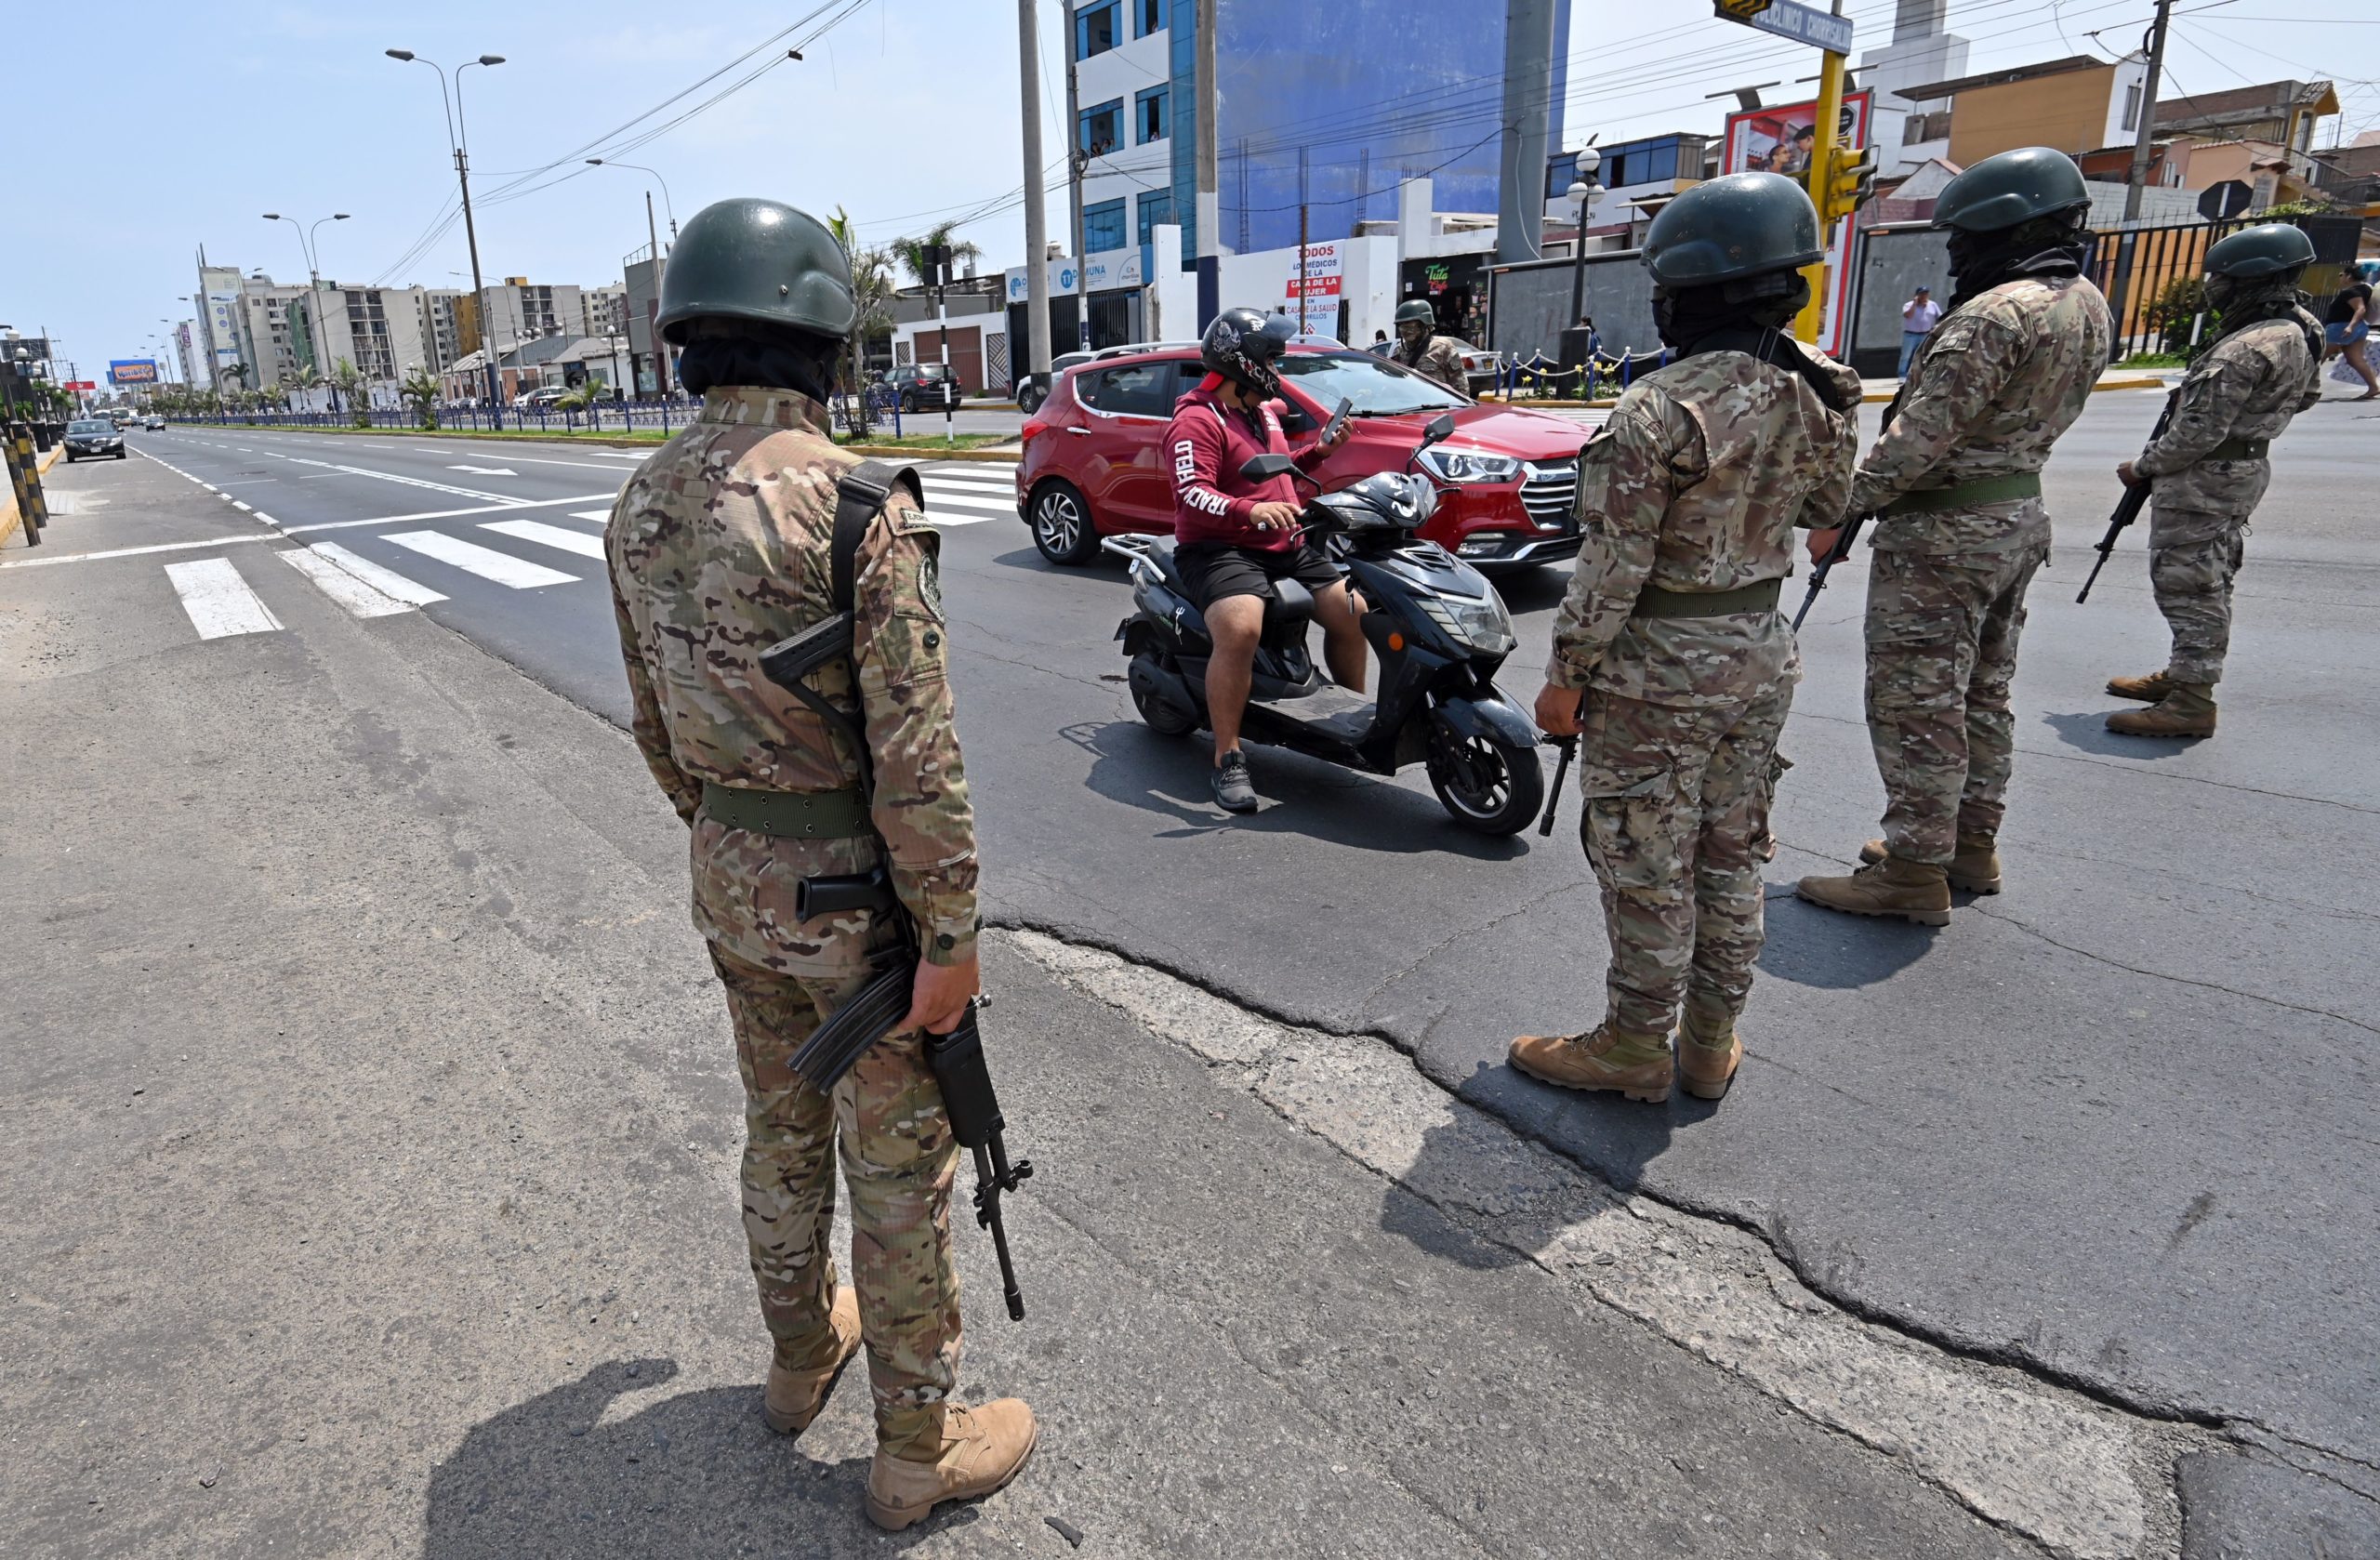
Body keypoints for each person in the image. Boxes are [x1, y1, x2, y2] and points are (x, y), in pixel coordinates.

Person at [603, 196, 1034, 1532]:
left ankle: (800, 1361)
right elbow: (919, 756)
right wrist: (951, 936)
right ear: (825, 339)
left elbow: (655, 725)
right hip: (858, 911)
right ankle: (915, 1449)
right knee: (898, 1170)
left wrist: (729, 829)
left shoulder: (642, 499)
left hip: (729, 883)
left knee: (778, 1129)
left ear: (688, 341)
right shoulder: (855, 507)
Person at [1508, 172, 1861, 1106]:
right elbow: (1831, 512)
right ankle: (1710, 1043)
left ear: (1690, 288)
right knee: (1732, 848)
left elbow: (1610, 567)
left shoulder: (1656, 410)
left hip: (1656, 672)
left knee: (1644, 860)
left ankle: (1632, 1046)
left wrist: (1564, 678)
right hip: (1759, 651)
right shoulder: (1822, 392)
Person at [1795, 146, 2112, 925]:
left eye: (1966, 236)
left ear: (2004, 229)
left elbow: (1916, 439)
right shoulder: (2086, 302)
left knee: (1916, 704)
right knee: (1982, 693)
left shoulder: (1994, 316)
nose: (1958, 252)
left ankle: (1911, 870)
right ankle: (1967, 845)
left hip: (1944, 535)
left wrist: (1843, 510)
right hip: (2015, 518)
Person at [2102, 223, 2324, 738]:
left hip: (2204, 479)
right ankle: (2183, 677)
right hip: (2242, 470)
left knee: (2188, 585)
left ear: (2247, 280)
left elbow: (2196, 432)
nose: (2213, 286)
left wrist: (2142, 467)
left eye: (2220, 278)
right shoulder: (2302, 327)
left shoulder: (2245, 348)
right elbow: (2307, 396)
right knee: (2211, 576)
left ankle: (2192, 702)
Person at [1162, 306, 1358, 813]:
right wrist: (1252, 511)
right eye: (1272, 358)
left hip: (1281, 540)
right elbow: (1192, 495)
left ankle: (1350, 719)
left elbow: (1277, 473)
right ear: (1243, 362)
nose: (1279, 367)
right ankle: (1228, 757)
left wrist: (1319, 453)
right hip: (1217, 547)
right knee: (1242, 628)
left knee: (1352, 612)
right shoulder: (1195, 421)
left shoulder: (1261, 411)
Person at [1389, 298, 1474, 393]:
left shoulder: (1443, 348)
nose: (1406, 331)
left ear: (1424, 325)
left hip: (1437, 406)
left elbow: (1461, 387)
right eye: (1402, 327)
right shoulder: (1399, 351)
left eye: (1411, 326)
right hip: (1409, 406)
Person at [2322, 268, 2377, 400]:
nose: (2340, 278)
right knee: (2355, 360)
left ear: (2349, 277)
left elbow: (2360, 309)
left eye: (2341, 275)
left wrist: (2350, 326)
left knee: (2317, 358)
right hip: (2360, 328)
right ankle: (2374, 388)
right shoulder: (2366, 289)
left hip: (2341, 328)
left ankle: (2301, 388)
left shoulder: (2351, 292)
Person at [1898, 285, 1942, 377]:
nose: (1924, 296)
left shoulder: (1932, 305)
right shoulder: (1909, 305)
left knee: (1923, 356)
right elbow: (1908, 315)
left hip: (1925, 335)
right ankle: (1902, 375)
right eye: (1921, 294)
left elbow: (1940, 317)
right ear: (1917, 295)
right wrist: (1915, 304)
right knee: (1906, 356)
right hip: (1910, 335)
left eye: (1926, 294)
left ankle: (1920, 375)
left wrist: (1935, 328)